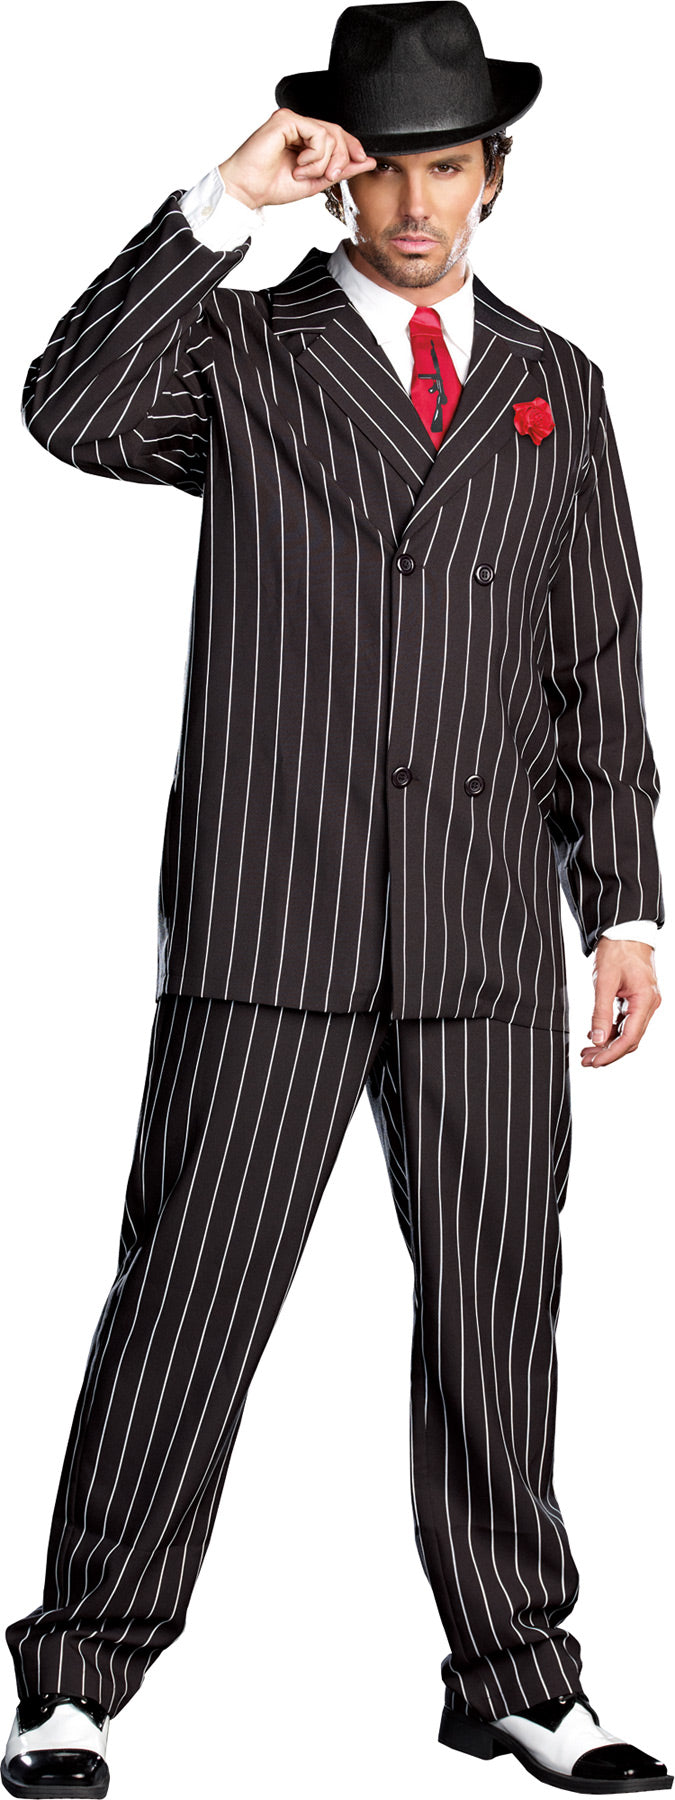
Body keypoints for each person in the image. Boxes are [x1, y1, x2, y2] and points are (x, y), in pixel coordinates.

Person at [3, 4, 670, 1796]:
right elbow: (68, 409)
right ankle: (77, 1676)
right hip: (269, 915)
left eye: (447, 169)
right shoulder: (245, 352)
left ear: (495, 175)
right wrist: (228, 193)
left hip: (482, 933)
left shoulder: (559, 385)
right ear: (339, 176)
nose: (415, 208)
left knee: (496, 1311)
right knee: (188, 1299)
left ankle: (521, 1673)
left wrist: (624, 908)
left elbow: (594, 668)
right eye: (384, 171)